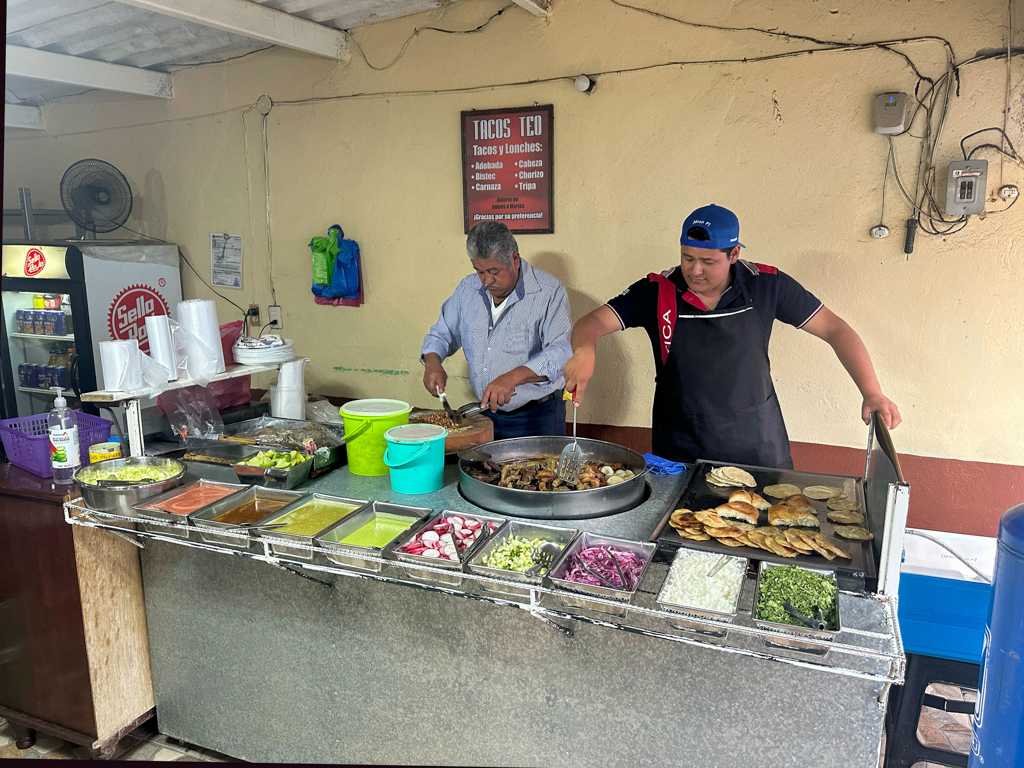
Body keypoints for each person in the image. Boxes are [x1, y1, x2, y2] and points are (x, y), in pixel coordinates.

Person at [563, 204, 901, 468]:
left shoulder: (766, 284)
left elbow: (836, 329)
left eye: (708, 262)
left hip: (757, 449)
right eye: (687, 258)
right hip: (680, 451)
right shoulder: (658, 290)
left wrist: (872, 392)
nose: (695, 271)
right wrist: (584, 351)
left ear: (734, 254)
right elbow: (592, 322)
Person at [421, 222, 572, 439]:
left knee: (539, 473)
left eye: (494, 271)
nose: (486, 281)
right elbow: (441, 334)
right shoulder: (467, 289)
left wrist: (515, 377)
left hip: (536, 416)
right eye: (479, 271)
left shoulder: (548, 293)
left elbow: (561, 353)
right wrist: (432, 362)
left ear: (515, 260)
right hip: (484, 415)